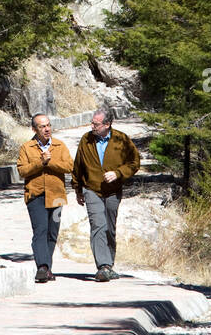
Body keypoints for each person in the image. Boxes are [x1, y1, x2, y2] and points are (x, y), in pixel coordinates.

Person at [72, 107, 141, 281]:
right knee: (98, 225)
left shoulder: (121, 139)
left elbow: (135, 162)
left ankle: (109, 265)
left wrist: (118, 173)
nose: (92, 126)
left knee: (110, 228)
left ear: (107, 124)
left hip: (113, 191)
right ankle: (102, 266)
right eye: (92, 123)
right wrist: (77, 189)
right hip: (91, 189)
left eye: (96, 124)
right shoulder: (86, 140)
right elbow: (78, 165)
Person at [16, 114, 74, 283]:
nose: (47, 129)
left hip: (57, 197)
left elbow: (69, 166)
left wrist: (50, 162)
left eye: (48, 125)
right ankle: (42, 266)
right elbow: (22, 171)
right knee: (40, 230)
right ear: (34, 129)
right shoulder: (27, 147)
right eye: (42, 126)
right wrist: (40, 162)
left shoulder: (59, 145)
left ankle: (46, 268)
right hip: (35, 196)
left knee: (52, 232)